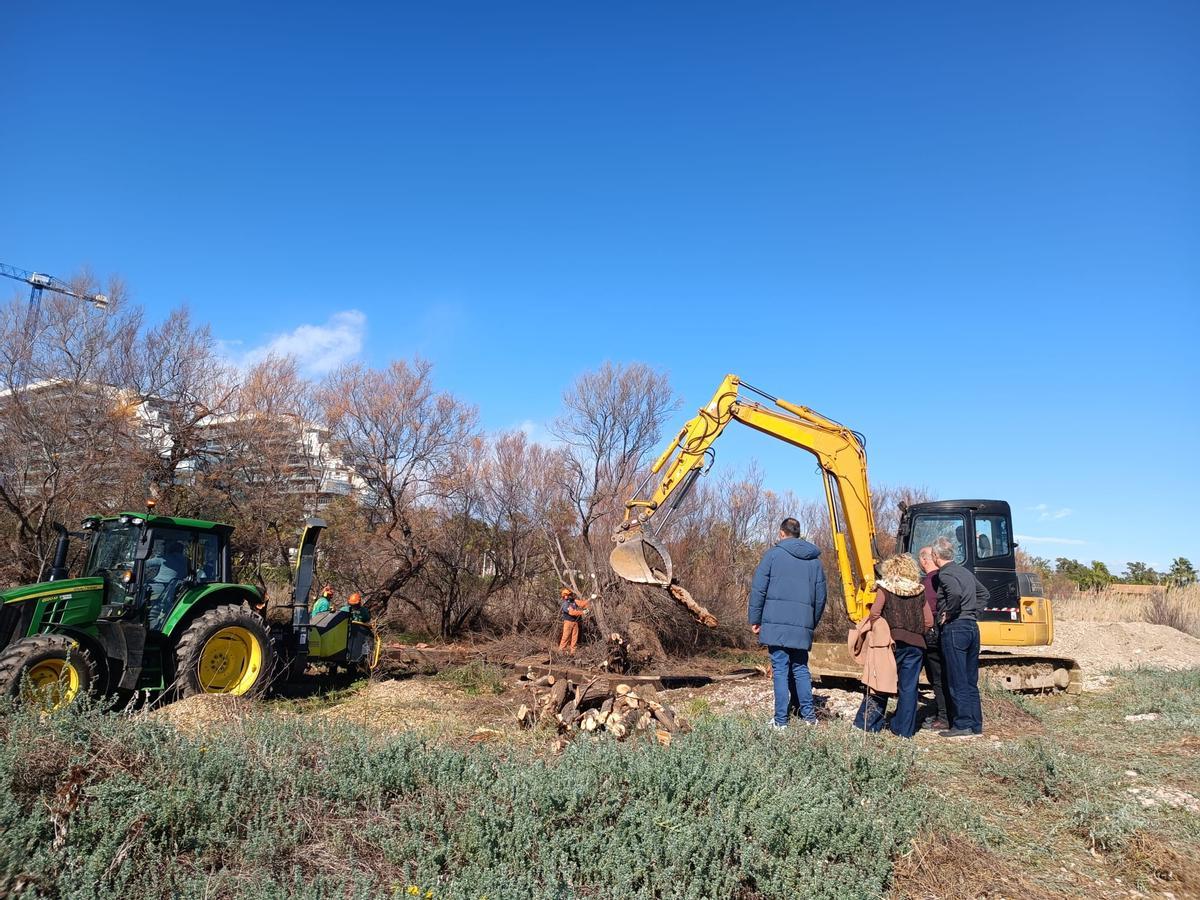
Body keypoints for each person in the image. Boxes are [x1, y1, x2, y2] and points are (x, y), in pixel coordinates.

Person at [748, 517, 827, 728]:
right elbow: (821, 598)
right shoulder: (815, 561)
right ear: (798, 533)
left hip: (776, 624)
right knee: (800, 668)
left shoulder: (773, 556)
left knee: (780, 669)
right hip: (801, 626)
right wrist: (810, 622)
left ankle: (781, 721)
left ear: (782, 533)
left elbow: (758, 590)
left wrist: (755, 619)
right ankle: (809, 718)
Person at [854, 554, 933, 737]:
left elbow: (874, 614)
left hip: (890, 644)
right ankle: (904, 731)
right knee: (909, 688)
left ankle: (868, 724)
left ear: (890, 569)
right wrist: (915, 632)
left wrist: (885, 632)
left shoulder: (885, 588)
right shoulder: (919, 590)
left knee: (880, 682)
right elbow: (928, 621)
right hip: (916, 646)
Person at [930, 536, 989, 737]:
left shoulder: (944, 574)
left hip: (955, 629)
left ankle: (962, 724)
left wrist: (950, 613)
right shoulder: (965, 572)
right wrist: (973, 612)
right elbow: (984, 593)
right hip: (972, 627)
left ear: (936, 556)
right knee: (970, 680)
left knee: (956, 679)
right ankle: (976, 724)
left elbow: (953, 593)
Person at [918, 546, 950, 730]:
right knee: (945, 676)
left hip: (932, 636)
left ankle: (943, 717)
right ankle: (945, 712)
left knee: (936, 677)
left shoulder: (927, 584)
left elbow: (926, 613)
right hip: (946, 634)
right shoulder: (946, 578)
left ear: (924, 560)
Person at [558, 588, 587, 655]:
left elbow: (582, 603)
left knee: (574, 638)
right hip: (568, 622)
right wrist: (582, 612)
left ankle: (573, 653)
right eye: (567, 595)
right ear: (564, 596)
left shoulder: (574, 601)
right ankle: (561, 651)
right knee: (566, 637)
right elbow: (572, 612)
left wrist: (590, 600)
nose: (569, 596)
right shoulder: (565, 604)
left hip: (575, 622)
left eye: (570, 594)